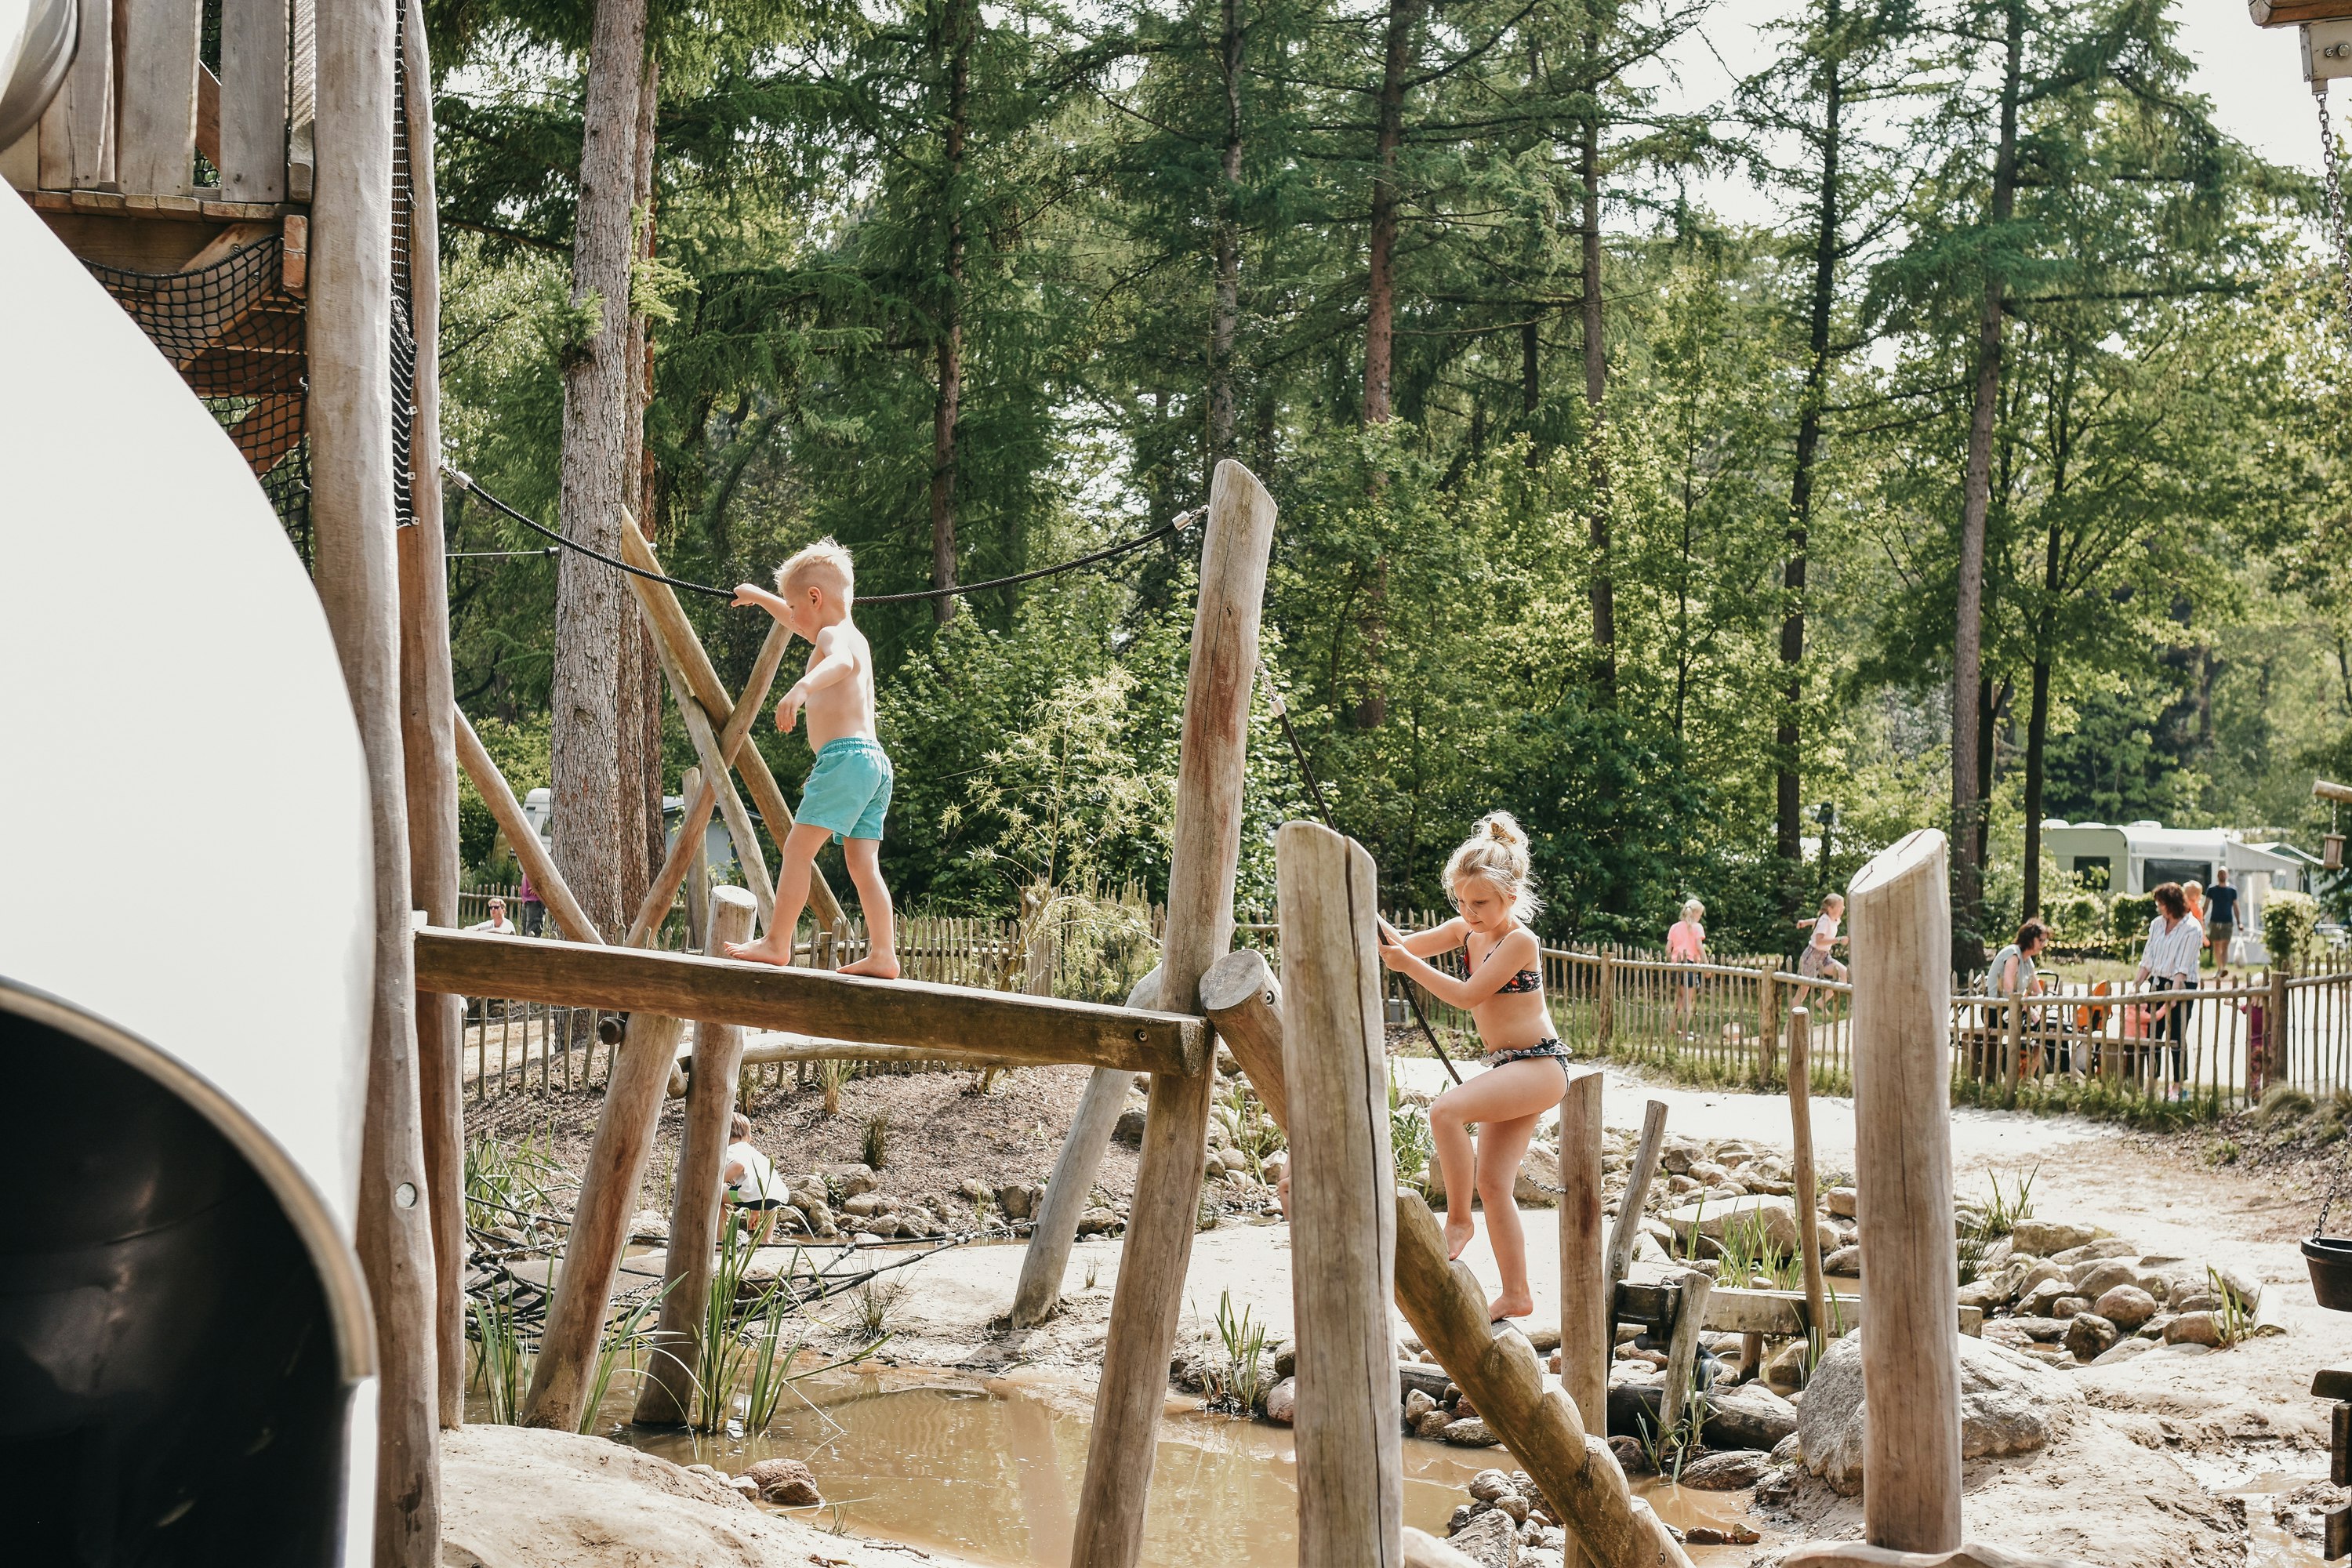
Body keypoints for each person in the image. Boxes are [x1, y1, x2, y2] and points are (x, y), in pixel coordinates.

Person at [1375, 812, 1566, 1323]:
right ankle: (1518, 1292)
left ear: (1512, 895)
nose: (1469, 911)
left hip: (1539, 1066)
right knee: (1495, 1184)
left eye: (1480, 902)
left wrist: (1406, 967)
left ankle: (1457, 1221)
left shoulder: (1518, 942)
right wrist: (1366, 916)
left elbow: (1465, 996)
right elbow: (1400, 947)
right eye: (1461, 900)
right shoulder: (1465, 931)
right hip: (1510, 1068)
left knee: (1444, 1112)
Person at [721, 539, 901, 978]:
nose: (794, 619)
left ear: (815, 598)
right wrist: (763, 598)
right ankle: (884, 954)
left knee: (798, 850)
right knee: (863, 864)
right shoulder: (851, 633)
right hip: (874, 764)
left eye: (795, 606)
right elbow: (800, 621)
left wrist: (802, 689)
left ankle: (777, 941)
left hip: (843, 761)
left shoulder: (833, 638)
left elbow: (837, 663)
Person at [2135, 882, 2204, 1101]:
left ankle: (2177, 1084)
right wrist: (2136, 984)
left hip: (2182, 985)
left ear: (2171, 904)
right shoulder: (2156, 925)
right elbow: (2148, 958)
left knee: (2176, 1034)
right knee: (2152, 1034)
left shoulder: (2192, 928)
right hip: (2158, 982)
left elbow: (2183, 966)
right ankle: (2152, 1081)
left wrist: (2174, 995)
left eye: (2161, 904)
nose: (2158, 908)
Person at [724, 1113, 789, 1246]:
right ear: (749, 1137)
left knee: (717, 1196)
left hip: (753, 1197)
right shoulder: (756, 1154)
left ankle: (720, 1241)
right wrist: (755, 1211)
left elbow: (739, 1165)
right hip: (775, 1197)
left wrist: (717, 1182)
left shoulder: (731, 1150)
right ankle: (767, 1239)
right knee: (769, 1195)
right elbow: (758, 1183)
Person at [1667, 898, 1706, 1039]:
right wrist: (1706, 964)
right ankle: (1684, 1033)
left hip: (1676, 965)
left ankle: (1672, 1027)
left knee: (1680, 998)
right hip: (1690, 965)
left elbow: (1667, 949)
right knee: (1688, 1001)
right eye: (1700, 914)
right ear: (1695, 914)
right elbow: (1699, 947)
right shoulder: (1697, 927)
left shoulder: (1674, 927)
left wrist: (1671, 959)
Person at [1796, 893, 1847, 982]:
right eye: (1840, 907)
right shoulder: (1825, 921)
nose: (1842, 909)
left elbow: (1817, 921)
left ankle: (1822, 997)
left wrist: (1805, 922)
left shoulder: (1834, 920)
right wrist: (1839, 940)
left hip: (1824, 956)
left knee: (1844, 974)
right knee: (1804, 991)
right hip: (1812, 955)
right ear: (1830, 909)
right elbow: (1819, 941)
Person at [2205, 869, 2240, 972]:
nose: (2222, 875)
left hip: (2227, 922)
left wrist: (2239, 922)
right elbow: (2206, 905)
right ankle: (2220, 968)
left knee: (2225, 946)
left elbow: (2236, 907)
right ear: (2217, 875)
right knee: (2216, 946)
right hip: (2215, 921)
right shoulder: (2212, 889)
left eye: (2224, 873)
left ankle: (2224, 968)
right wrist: (2201, 917)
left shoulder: (2232, 890)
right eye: (2220, 874)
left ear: (2227, 875)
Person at [517, 873, 544, 937]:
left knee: (533, 932)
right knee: (525, 933)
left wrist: (540, 886)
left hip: (535, 900)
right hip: (527, 900)